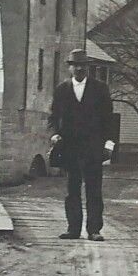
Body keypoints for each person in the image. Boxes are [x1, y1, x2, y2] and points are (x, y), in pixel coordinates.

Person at [48, 49, 118, 241]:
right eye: (75, 65)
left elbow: (109, 119)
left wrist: (109, 144)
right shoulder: (62, 90)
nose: (79, 68)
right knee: (72, 189)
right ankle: (73, 229)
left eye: (83, 65)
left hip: (93, 148)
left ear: (88, 67)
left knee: (94, 189)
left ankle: (94, 230)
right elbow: (53, 117)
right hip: (70, 148)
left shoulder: (100, 89)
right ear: (70, 67)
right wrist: (54, 134)